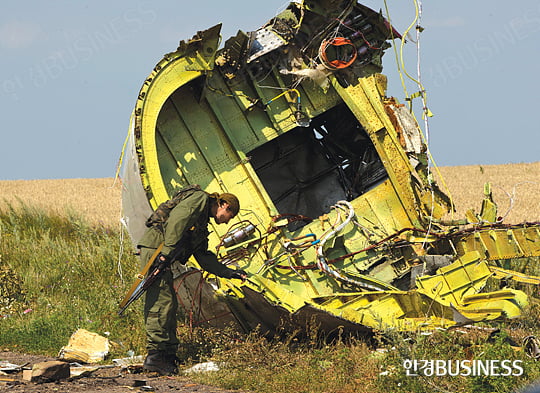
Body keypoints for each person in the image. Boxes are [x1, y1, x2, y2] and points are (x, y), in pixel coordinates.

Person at [137, 187, 247, 375]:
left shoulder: (202, 223)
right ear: (224, 205)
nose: (228, 220)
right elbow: (177, 220)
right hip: (157, 249)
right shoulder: (200, 200)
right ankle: (155, 356)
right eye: (231, 215)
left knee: (168, 303)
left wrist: (229, 273)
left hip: (163, 251)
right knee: (161, 302)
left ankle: (168, 354)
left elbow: (203, 256)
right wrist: (166, 253)